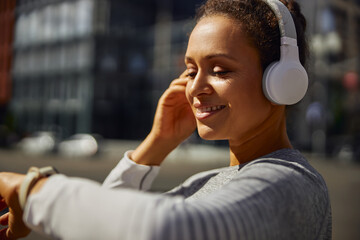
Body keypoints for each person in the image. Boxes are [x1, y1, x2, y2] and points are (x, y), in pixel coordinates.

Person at [0, 0, 332, 239]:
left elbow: (167, 229)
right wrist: (157, 143)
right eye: (190, 70)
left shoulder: (293, 183)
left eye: (220, 70)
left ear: (281, 80)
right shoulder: (214, 179)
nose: (195, 87)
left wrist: (30, 189)